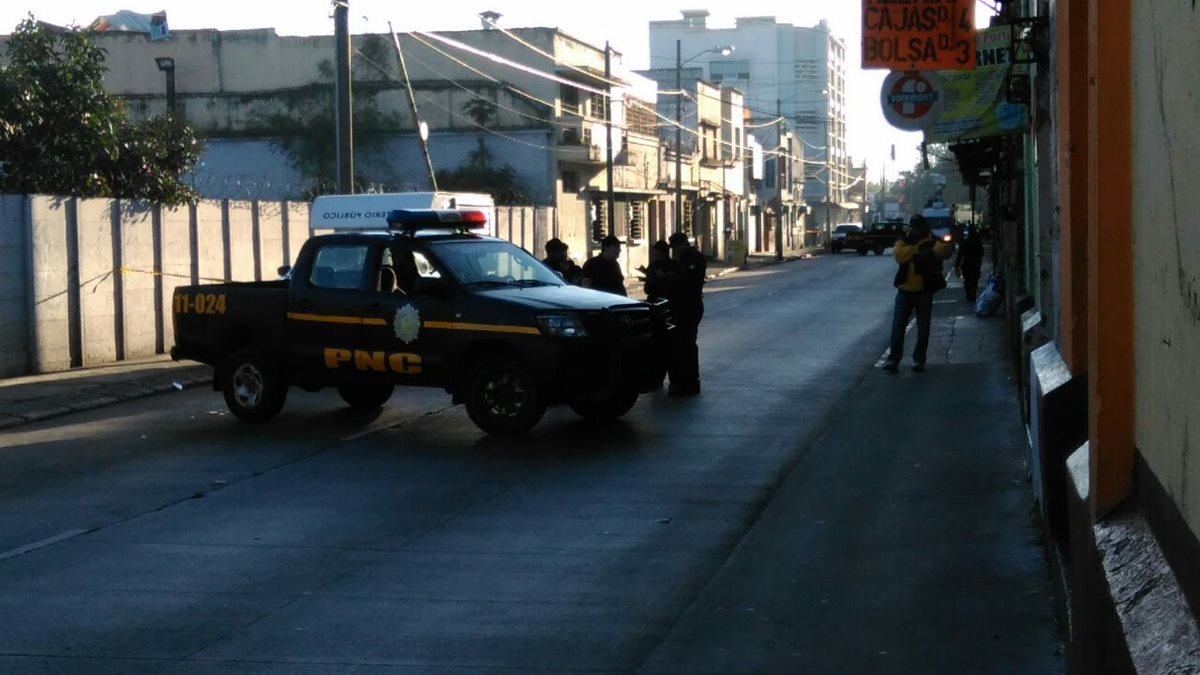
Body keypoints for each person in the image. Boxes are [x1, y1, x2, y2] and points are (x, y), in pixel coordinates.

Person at [883, 215, 954, 373]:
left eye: (918, 227)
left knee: (923, 328)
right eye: (914, 227)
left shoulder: (932, 239)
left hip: (923, 291)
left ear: (923, 227)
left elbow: (945, 250)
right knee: (898, 327)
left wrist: (926, 251)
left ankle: (918, 360)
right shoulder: (906, 240)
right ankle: (894, 359)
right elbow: (899, 255)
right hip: (905, 290)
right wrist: (918, 250)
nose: (916, 230)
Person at [666, 232, 706, 395]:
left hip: (690, 304)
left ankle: (689, 382)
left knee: (686, 344)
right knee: (682, 344)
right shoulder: (683, 259)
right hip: (682, 305)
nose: (674, 251)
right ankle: (684, 381)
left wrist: (670, 276)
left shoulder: (692, 258)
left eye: (675, 247)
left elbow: (689, 280)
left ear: (682, 245)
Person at [954, 224, 985, 302]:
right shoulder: (978, 243)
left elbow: (960, 254)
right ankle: (973, 294)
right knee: (974, 280)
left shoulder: (965, 243)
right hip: (976, 264)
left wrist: (957, 264)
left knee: (967, 280)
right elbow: (982, 253)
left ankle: (968, 294)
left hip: (966, 264)